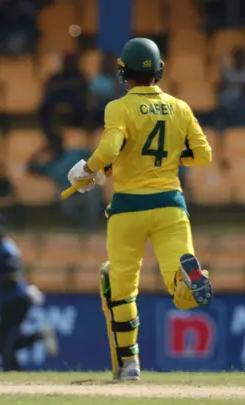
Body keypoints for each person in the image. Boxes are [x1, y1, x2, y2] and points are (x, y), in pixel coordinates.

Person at [66, 37, 214, 381]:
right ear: (159, 71)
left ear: (124, 72)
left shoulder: (119, 108)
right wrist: (172, 157)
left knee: (119, 285)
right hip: (170, 206)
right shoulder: (181, 107)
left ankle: (129, 364)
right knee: (177, 287)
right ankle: (189, 278)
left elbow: (110, 148)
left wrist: (89, 169)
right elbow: (204, 154)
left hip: (128, 208)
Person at [0, 213, 58, 371]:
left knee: (7, 343)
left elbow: (13, 276)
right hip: (8, 301)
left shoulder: (7, 249)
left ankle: (13, 374)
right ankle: (40, 335)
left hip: (17, 300)